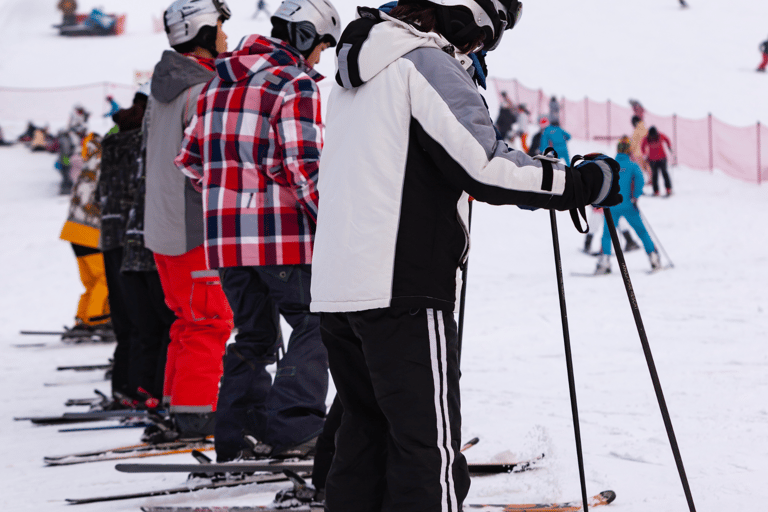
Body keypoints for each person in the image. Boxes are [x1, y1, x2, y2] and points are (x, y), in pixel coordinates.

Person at [309, 2, 622, 511]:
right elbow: (485, 166)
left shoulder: (360, 66)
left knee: (364, 438)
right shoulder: (424, 63)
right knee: (425, 452)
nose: (480, 47)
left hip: (340, 289)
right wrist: (582, 183)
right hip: (402, 291)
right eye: (486, 33)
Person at [175, 0, 340, 462]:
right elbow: (302, 166)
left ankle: (237, 432)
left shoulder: (217, 82)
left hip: (226, 243)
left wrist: (230, 200)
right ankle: (294, 425)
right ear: (306, 36)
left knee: (254, 335)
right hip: (279, 238)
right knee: (316, 322)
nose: (318, 60)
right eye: (320, 48)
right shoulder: (294, 83)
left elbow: (190, 160)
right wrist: (330, 224)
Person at [142, 0, 235, 442]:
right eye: (219, 26)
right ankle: (197, 414)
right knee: (209, 321)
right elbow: (206, 164)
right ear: (200, 30)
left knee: (186, 319)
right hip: (191, 228)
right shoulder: (200, 91)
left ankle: (177, 406)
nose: (225, 35)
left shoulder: (164, 87)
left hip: (162, 228)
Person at [98, 87, 175, 407]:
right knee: (156, 320)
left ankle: (129, 384)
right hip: (140, 240)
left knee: (129, 319)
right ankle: (147, 386)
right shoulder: (138, 145)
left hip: (113, 237)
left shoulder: (112, 143)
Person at [59, 132, 113, 340]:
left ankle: (82, 317)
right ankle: (98, 318)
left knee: (90, 281)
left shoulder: (87, 165)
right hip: (91, 231)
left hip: (73, 231)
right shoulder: (104, 165)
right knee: (104, 277)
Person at [595, 137, 660, 275]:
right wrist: (635, 196)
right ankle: (653, 258)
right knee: (642, 232)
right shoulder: (633, 166)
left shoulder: (609, 165)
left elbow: (601, 183)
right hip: (629, 205)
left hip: (611, 206)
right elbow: (640, 181)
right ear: (629, 150)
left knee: (607, 234)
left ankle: (604, 262)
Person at [642, 125, 673, 196]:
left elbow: (667, 139)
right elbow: (642, 145)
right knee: (654, 176)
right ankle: (656, 191)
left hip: (662, 159)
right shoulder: (647, 138)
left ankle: (668, 189)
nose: (652, 136)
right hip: (652, 160)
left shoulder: (660, 136)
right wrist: (645, 154)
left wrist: (669, 146)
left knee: (664, 173)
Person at [629, 114, 650, 181]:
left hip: (638, 152)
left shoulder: (636, 131)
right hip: (647, 152)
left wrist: (630, 150)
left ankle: (640, 181)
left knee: (640, 168)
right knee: (648, 167)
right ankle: (651, 180)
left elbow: (634, 142)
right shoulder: (645, 129)